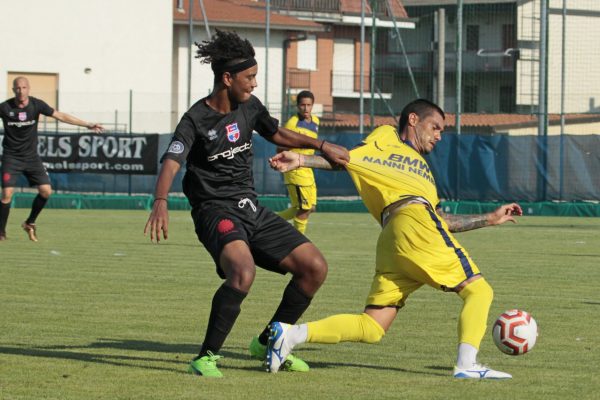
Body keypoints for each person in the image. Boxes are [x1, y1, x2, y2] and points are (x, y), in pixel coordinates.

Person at [266, 99, 523, 379]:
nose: (439, 135)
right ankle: (467, 364)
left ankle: (289, 335)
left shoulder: (423, 172)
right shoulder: (386, 136)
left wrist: (490, 219)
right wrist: (303, 160)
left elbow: (444, 221)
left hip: (396, 236)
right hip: (415, 224)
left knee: (372, 327)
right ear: (412, 120)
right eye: (435, 127)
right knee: (479, 291)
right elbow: (350, 158)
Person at [143, 30, 349, 378]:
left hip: (249, 207)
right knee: (243, 272)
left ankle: (270, 342)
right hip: (214, 211)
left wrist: (321, 144)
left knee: (314, 267)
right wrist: (161, 200)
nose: (254, 84)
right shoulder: (196, 119)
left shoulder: (249, 107)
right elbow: (173, 161)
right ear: (227, 78)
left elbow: (277, 133)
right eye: (249, 77)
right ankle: (206, 356)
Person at [0, 76, 104, 242]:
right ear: (13, 90)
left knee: (46, 191)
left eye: (24, 87)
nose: (21, 91)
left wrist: (87, 124)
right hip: (11, 157)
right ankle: (1, 233)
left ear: (29, 88)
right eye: (17, 88)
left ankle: (29, 222)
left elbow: (61, 116)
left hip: (31, 157)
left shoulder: (36, 105)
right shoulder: (5, 107)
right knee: (7, 193)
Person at [276, 91, 319, 234]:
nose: (306, 109)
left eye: (309, 105)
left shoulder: (316, 122)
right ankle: (300, 242)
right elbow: (280, 146)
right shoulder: (292, 123)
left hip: (308, 168)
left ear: (312, 106)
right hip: (295, 169)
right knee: (304, 208)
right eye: (302, 105)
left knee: (310, 207)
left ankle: (268, 222)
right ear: (297, 106)